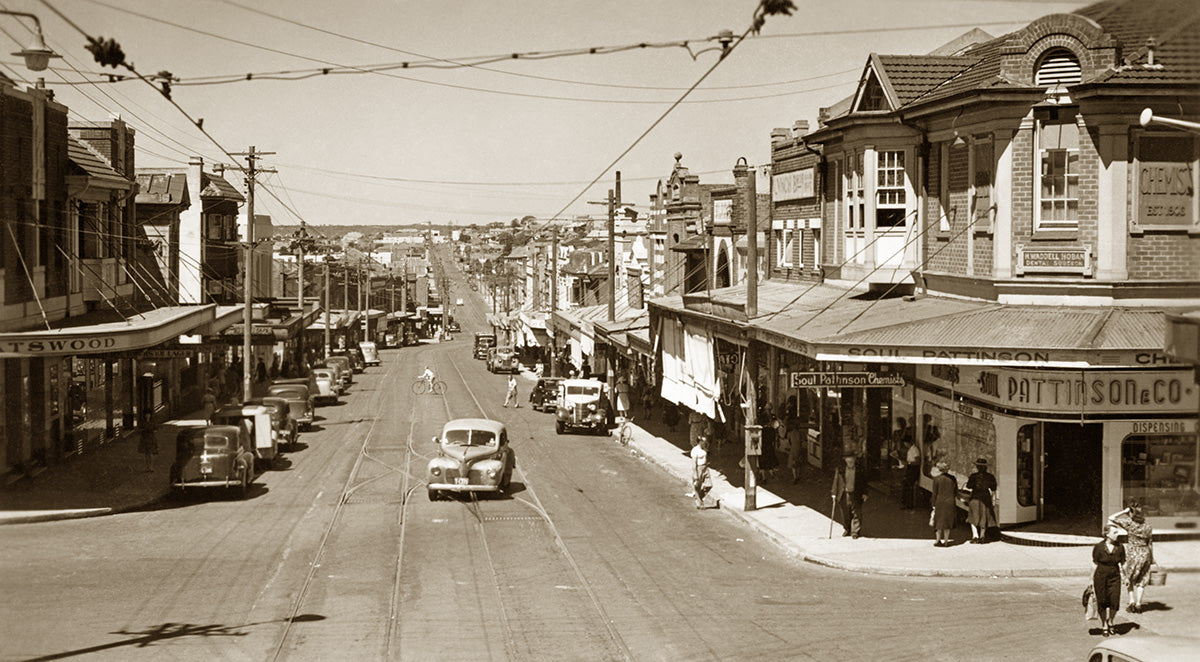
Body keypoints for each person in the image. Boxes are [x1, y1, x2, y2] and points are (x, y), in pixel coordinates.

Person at [1108, 499, 1154, 613]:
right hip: (1145, 553)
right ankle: (1138, 604)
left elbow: (1111, 518)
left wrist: (1124, 511)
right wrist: (1152, 558)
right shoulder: (1148, 526)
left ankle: (1132, 601)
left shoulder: (1129, 523)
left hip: (1132, 553)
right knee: (1142, 579)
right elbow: (1150, 543)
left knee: (1129, 577)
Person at [1092, 523, 1126, 636]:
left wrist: (1126, 577)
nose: (1117, 535)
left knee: (1114, 601)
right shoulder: (1098, 547)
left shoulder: (1120, 547)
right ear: (1107, 534)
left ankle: (1110, 621)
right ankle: (1104, 625)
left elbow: (1123, 563)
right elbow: (1094, 563)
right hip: (1100, 577)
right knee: (1102, 601)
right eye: (1114, 532)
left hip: (1115, 577)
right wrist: (1090, 580)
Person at [831, 451, 868, 538]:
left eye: (852, 461)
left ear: (855, 460)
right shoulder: (840, 469)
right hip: (844, 493)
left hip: (856, 493)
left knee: (857, 513)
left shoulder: (860, 469)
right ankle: (847, 529)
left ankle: (855, 532)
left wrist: (865, 493)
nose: (850, 463)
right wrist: (834, 493)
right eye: (849, 461)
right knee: (845, 513)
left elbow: (864, 482)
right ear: (845, 460)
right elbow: (836, 481)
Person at [965, 458, 998, 543]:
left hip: (975, 497)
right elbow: (993, 489)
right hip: (986, 497)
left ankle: (975, 536)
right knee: (984, 517)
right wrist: (993, 500)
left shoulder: (973, 476)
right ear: (986, 467)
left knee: (973, 517)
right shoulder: (990, 477)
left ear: (977, 467)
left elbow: (968, 486)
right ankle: (982, 536)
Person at [930, 460, 958, 547]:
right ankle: (946, 541)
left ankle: (938, 540)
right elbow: (955, 492)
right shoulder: (953, 479)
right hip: (950, 502)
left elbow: (934, 493)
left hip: (940, 502)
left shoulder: (937, 479)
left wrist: (933, 504)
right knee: (947, 522)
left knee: (938, 522)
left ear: (940, 469)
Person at [900, 422, 920, 509]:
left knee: (908, 485)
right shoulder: (910, 449)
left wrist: (908, 463)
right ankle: (905, 502)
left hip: (913, 468)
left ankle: (909, 503)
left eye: (905, 443)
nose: (905, 444)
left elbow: (917, 461)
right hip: (910, 467)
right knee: (906, 484)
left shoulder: (915, 450)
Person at [691, 436, 712, 509]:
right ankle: (699, 503)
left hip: (705, 468)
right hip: (699, 468)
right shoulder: (695, 450)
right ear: (700, 442)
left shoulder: (704, 449)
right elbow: (694, 463)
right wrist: (695, 474)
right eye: (703, 441)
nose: (705, 443)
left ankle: (698, 498)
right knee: (698, 487)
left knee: (709, 485)